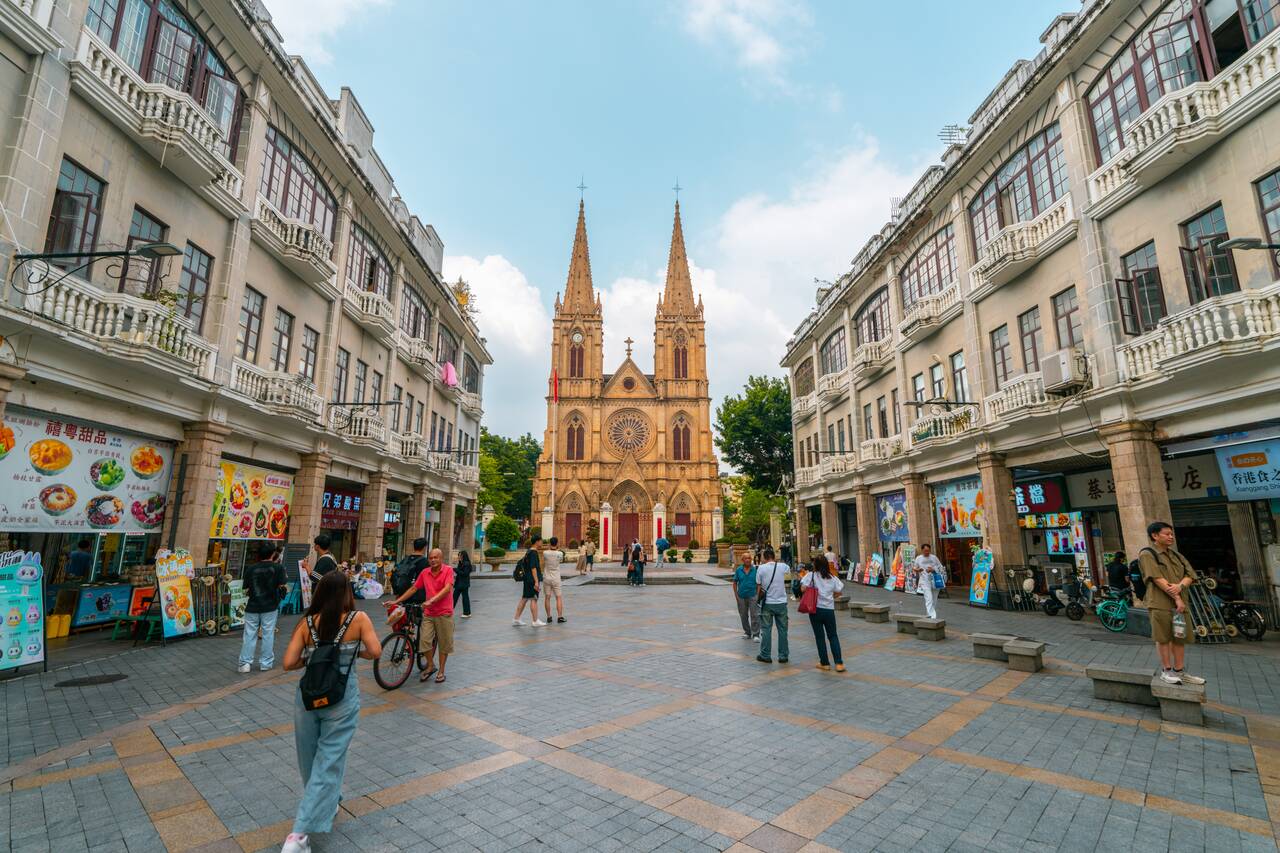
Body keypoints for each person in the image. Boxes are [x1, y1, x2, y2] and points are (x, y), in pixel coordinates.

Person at [279, 572, 381, 853]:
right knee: (329, 760)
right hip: (341, 697)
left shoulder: (307, 623)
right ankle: (298, 835)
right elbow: (374, 651)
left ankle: (329, 801)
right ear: (347, 592)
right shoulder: (357, 620)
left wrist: (313, 656)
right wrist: (350, 653)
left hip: (307, 698)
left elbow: (288, 662)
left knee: (308, 758)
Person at [1139, 522, 1206, 686]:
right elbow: (1157, 579)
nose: (1171, 537)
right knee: (1163, 637)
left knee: (1179, 637)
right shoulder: (1147, 554)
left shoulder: (1176, 555)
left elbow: (1190, 574)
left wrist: (1180, 586)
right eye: (1167, 534)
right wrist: (1177, 597)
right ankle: (1166, 671)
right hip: (1160, 603)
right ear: (1155, 536)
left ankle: (1179, 671)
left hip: (1180, 604)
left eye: (1171, 534)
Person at [388, 548, 453, 683]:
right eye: (431, 558)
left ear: (441, 559)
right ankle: (430, 665)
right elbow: (414, 588)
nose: (433, 560)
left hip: (444, 613)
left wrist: (432, 600)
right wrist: (397, 601)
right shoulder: (425, 572)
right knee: (424, 641)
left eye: (436, 557)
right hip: (429, 613)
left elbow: (447, 588)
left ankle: (441, 670)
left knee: (444, 643)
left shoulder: (448, 570)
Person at [239, 540, 287, 673]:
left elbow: (246, 588)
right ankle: (265, 663)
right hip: (270, 606)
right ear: (273, 554)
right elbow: (282, 585)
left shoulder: (251, 568)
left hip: (253, 605)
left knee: (249, 634)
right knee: (268, 633)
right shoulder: (278, 568)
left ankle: (245, 664)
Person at [801, 554, 845, 672]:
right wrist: (831, 596)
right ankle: (839, 663)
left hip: (815, 610)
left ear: (815, 565)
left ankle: (824, 663)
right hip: (829, 610)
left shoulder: (811, 576)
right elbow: (839, 591)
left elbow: (803, 589)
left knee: (820, 637)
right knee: (833, 636)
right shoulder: (832, 577)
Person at [755, 547, 789, 664]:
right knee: (783, 630)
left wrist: (757, 600)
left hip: (768, 603)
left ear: (764, 557)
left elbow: (758, 586)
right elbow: (788, 573)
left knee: (766, 630)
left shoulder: (761, 568)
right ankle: (783, 656)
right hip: (781, 603)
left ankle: (765, 655)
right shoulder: (782, 566)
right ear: (774, 557)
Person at [513, 535, 544, 626]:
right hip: (532, 580)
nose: (541, 543)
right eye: (541, 541)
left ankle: (516, 618)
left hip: (527, 579)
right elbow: (533, 568)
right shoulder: (533, 553)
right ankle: (535, 621)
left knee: (524, 598)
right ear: (537, 542)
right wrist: (536, 581)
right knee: (534, 598)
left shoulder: (529, 551)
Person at [390, 539, 429, 605]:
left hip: (403, 593)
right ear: (424, 547)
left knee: (404, 613)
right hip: (418, 595)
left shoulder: (405, 559)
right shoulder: (424, 561)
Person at [733, 550, 760, 640]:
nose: (748, 560)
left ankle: (756, 634)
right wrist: (736, 596)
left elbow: (759, 583)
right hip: (741, 596)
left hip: (753, 595)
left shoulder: (755, 569)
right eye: (746, 558)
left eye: (749, 558)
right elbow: (735, 583)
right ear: (742, 560)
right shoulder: (739, 570)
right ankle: (747, 632)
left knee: (754, 615)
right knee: (743, 615)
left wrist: (757, 594)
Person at [913, 543, 944, 619]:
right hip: (924, 581)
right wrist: (918, 570)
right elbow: (914, 568)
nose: (927, 552)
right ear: (922, 550)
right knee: (929, 598)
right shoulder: (918, 558)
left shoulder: (934, 557)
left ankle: (929, 614)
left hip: (935, 581)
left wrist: (933, 569)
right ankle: (933, 617)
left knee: (934, 599)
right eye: (925, 551)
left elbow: (941, 568)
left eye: (928, 551)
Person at [542, 536, 567, 623]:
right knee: (558, 597)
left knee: (547, 597)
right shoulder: (559, 553)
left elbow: (544, 560)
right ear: (556, 543)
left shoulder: (545, 553)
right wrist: (557, 549)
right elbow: (561, 560)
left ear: (549, 543)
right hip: (556, 577)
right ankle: (560, 617)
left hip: (547, 577)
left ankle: (549, 617)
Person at [453, 550, 473, 618]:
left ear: (463, 556)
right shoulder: (461, 563)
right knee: (454, 597)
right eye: (458, 555)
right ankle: (449, 611)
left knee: (464, 598)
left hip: (463, 584)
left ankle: (467, 613)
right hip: (459, 583)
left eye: (460, 555)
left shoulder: (466, 563)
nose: (458, 557)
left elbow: (465, 574)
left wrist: (456, 570)